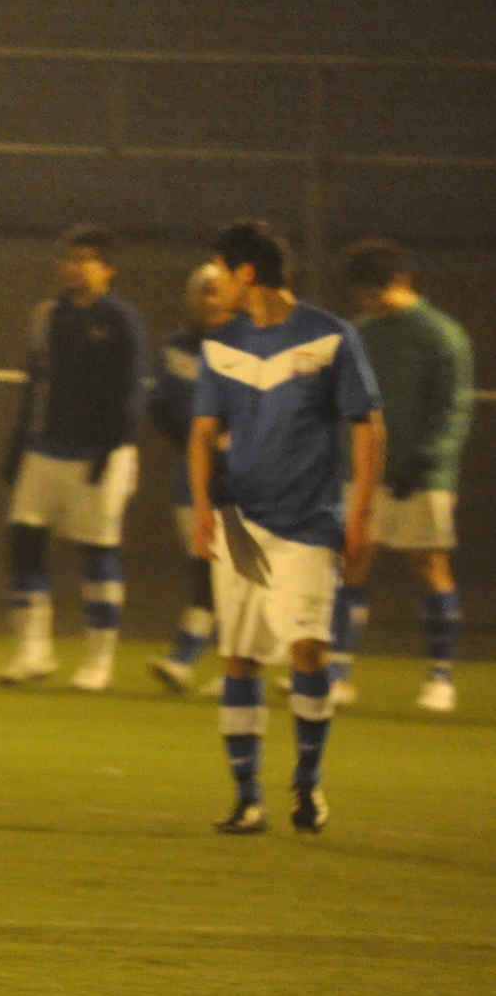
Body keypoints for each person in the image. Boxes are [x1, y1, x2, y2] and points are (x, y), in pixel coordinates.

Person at [189, 220, 383, 835]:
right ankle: (248, 798)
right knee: (240, 657)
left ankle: (307, 780)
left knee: (308, 650)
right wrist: (203, 508)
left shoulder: (329, 336)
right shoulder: (220, 345)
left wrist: (361, 515)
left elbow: (368, 426)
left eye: (221, 271)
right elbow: (202, 434)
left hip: (307, 521)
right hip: (240, 525)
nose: (215, 284)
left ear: (246, 273)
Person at [0, 226, 152, 692]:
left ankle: (99, 661)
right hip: (45, 449)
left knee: (96, 550)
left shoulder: (121, 320)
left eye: (85, 259)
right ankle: (33, 651)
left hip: (99, 454)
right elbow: (36, 385)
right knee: (24, 541)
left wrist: (111, 447)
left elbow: (132, 390)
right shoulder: (48, 316)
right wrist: (17, 448)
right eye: (69, 258)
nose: (73, 267)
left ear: (108, 269)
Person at [325, 240, 473, 713]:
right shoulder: (361, 333)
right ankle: (338, 674)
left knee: (428, 567)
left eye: (376, 293)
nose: (368, 302)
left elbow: (453, 409)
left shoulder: (440, 334)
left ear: (402, 282)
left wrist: (426, 462)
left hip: (423, 477)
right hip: (367, 472)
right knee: (350, 561)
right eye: (362, 295)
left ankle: (440, 677)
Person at [149, 262, 237, 693]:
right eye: (204, 291)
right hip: (193, 477)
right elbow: (161, 406)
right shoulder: (177, 347)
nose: (210, 299)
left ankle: (190, 659)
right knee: (207, 568)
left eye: (218, 291)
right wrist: (193, 443)